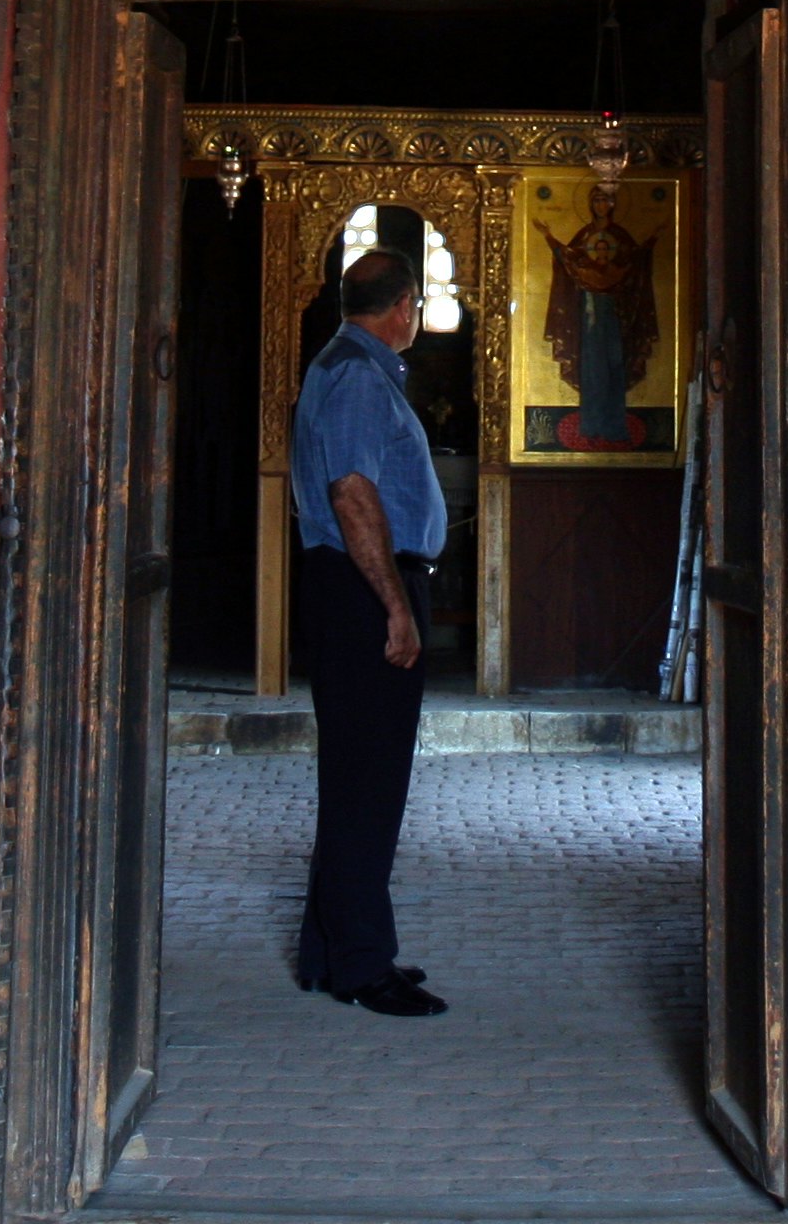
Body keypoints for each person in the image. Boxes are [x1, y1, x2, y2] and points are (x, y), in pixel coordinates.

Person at [290, 248, 450, 1016]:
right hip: (365, 588)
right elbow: (353, 494)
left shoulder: (344, 365)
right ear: (404, 306)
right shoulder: (358, 376)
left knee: (356, 774)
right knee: (368, 783)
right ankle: (362, 966)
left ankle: (329, 949)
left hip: (355, 584)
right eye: (415, 307)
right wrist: (394, 604)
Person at [536, 183, 661, 450]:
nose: (601, 205)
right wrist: (548, 237)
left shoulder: (620, 236)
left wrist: (651, 240)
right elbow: (569, 260)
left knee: (615, 368)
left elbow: (634, 261)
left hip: (616, 319)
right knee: (592, 370)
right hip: (589, 319)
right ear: (591, 205)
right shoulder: (584, 237)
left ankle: (615, 427)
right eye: (597, 200)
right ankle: (591, 425)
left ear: (613, 204)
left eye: (606, 200)